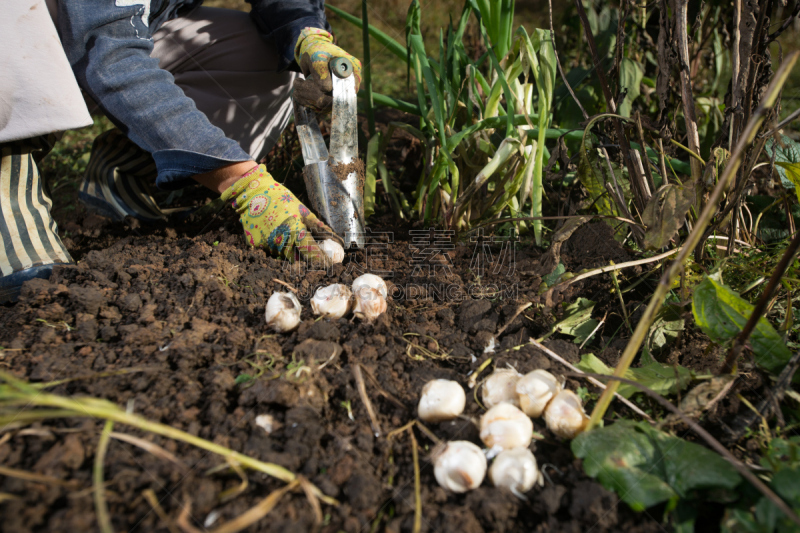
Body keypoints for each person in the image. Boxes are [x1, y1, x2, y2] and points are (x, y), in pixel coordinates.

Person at [0, 0, 361, 302]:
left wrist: (306, 33)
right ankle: (9, 191)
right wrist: (241, 182)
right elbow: (109, 52)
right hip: (44, 32)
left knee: (264, 56)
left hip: (115, 28)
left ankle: (124, 171)